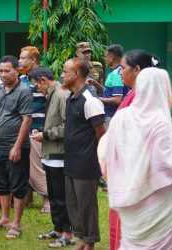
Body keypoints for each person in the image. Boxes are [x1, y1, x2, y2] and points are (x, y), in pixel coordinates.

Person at [98, 68, 172, 250]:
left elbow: (104, 150)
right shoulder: (161, 123)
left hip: (127, 197)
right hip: (158, 201)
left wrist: (117, 176)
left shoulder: (122, 116)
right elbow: (168, 164)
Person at [107, 49, 158, 250]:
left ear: (137, 70)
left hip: (135, 168)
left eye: (124, 68)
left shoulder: (143, 97)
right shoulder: (133, 93)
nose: (120, 72)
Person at [0, 55, 32, 239]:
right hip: (0, 145)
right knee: (2, 183)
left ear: (17, 70)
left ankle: (16, 224)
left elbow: (27, 119)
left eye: (7, 70)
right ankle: (4, 218)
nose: (2, 74)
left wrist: (17, 146)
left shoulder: (24, 91)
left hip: (16, 146)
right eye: (0, 71)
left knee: (18, 185)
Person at [62, 58, 106, 250]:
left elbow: (101, 134)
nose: (62, 75)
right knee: (73, 204)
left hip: (86, 163)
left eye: (65, 71)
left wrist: (96, 158)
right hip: (71, 160)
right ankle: (80, 237)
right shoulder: (71, 98)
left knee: (87, 205)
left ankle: (89, 242)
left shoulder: (91, 100)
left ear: (77, 74)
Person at [29, 67, 73, 248]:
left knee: (62, 196)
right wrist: (43, 133)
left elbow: (68, 126)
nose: (37, 89)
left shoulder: (62, 95)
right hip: (50, 153)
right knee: (54, 195)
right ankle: (57, 228)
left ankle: (67, 233)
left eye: (36, 85)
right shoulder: (52, 94)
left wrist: (46, 135)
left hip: (60, 154)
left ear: (43, 80)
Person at [18, 45, 49, 213]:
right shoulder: (22, 79)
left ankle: (47, 198)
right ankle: (27, 196)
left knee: (38, 165)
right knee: (24, 165)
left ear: (33, 60)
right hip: (24, 128)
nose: (20, 61)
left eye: (23, 58)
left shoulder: (43, 78)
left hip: (39, 128)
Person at [100, 45, 126, 123]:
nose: (105, 59)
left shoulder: (117, 74)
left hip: (112, 116)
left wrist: (99, 99)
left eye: (105, 57)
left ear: (111, 57)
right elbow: (110, 93)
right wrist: (96, 84)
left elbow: (117, 100)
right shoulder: (118, 71)